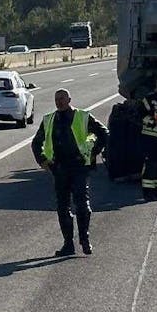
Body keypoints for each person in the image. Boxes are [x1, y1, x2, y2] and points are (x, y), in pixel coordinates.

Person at [31, 89, 108, 257]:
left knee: (82, 203)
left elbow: (104, 133)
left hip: (79, 166)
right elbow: (36, 142)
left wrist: (94, 151)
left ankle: (84, 239)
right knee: (62, 207)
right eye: (56, 99)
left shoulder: (83, 116)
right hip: (59, 168)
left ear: (69, 99)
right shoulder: (50, 119)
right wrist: (43, 160)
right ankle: (68, 244)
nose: (59, 102)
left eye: (62, 98)